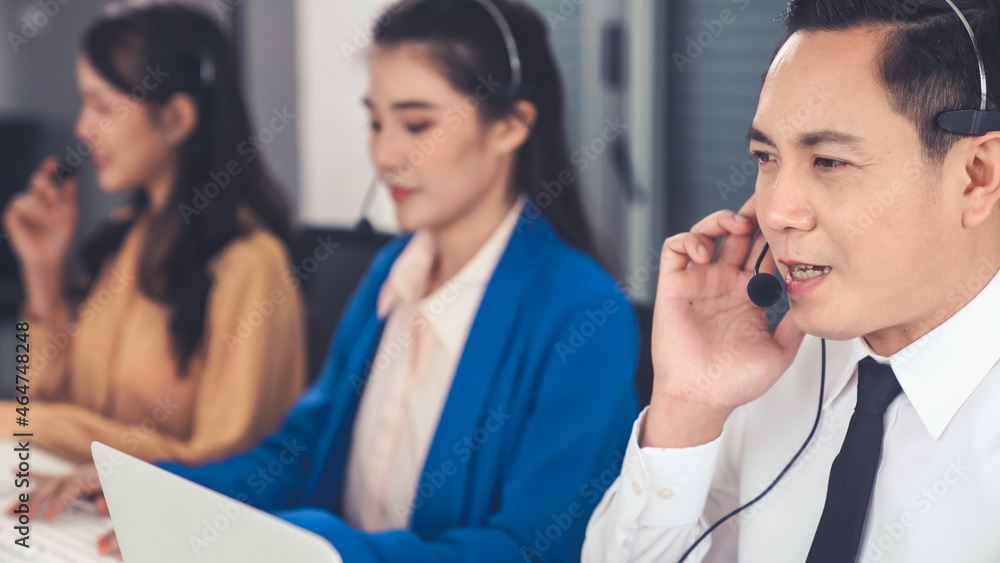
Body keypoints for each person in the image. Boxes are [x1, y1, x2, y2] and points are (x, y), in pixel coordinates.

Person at [52, 0, 639, 560]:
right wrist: (160, 491)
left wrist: (307, 545)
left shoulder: (583, 314)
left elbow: (532, 550)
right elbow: (302, 452)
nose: (384, 154)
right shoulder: (393, 269)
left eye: (416, 124)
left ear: (510, 126)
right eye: (376, 121)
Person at [583, 0, 1000, 561]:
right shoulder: (772, 373)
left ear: (977, 176)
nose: (775, 211)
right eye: (766, 156)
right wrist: (688, 407)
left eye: (828, 161)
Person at [3, 0, 305, 537]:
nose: (82, 128)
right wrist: (43, 278)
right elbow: (40, 402)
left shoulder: (250, 265)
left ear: (176, 117)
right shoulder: (123, 241)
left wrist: (35, 425)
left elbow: (223, 460)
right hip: (85, 514)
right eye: (83, 104)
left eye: (101, 105)